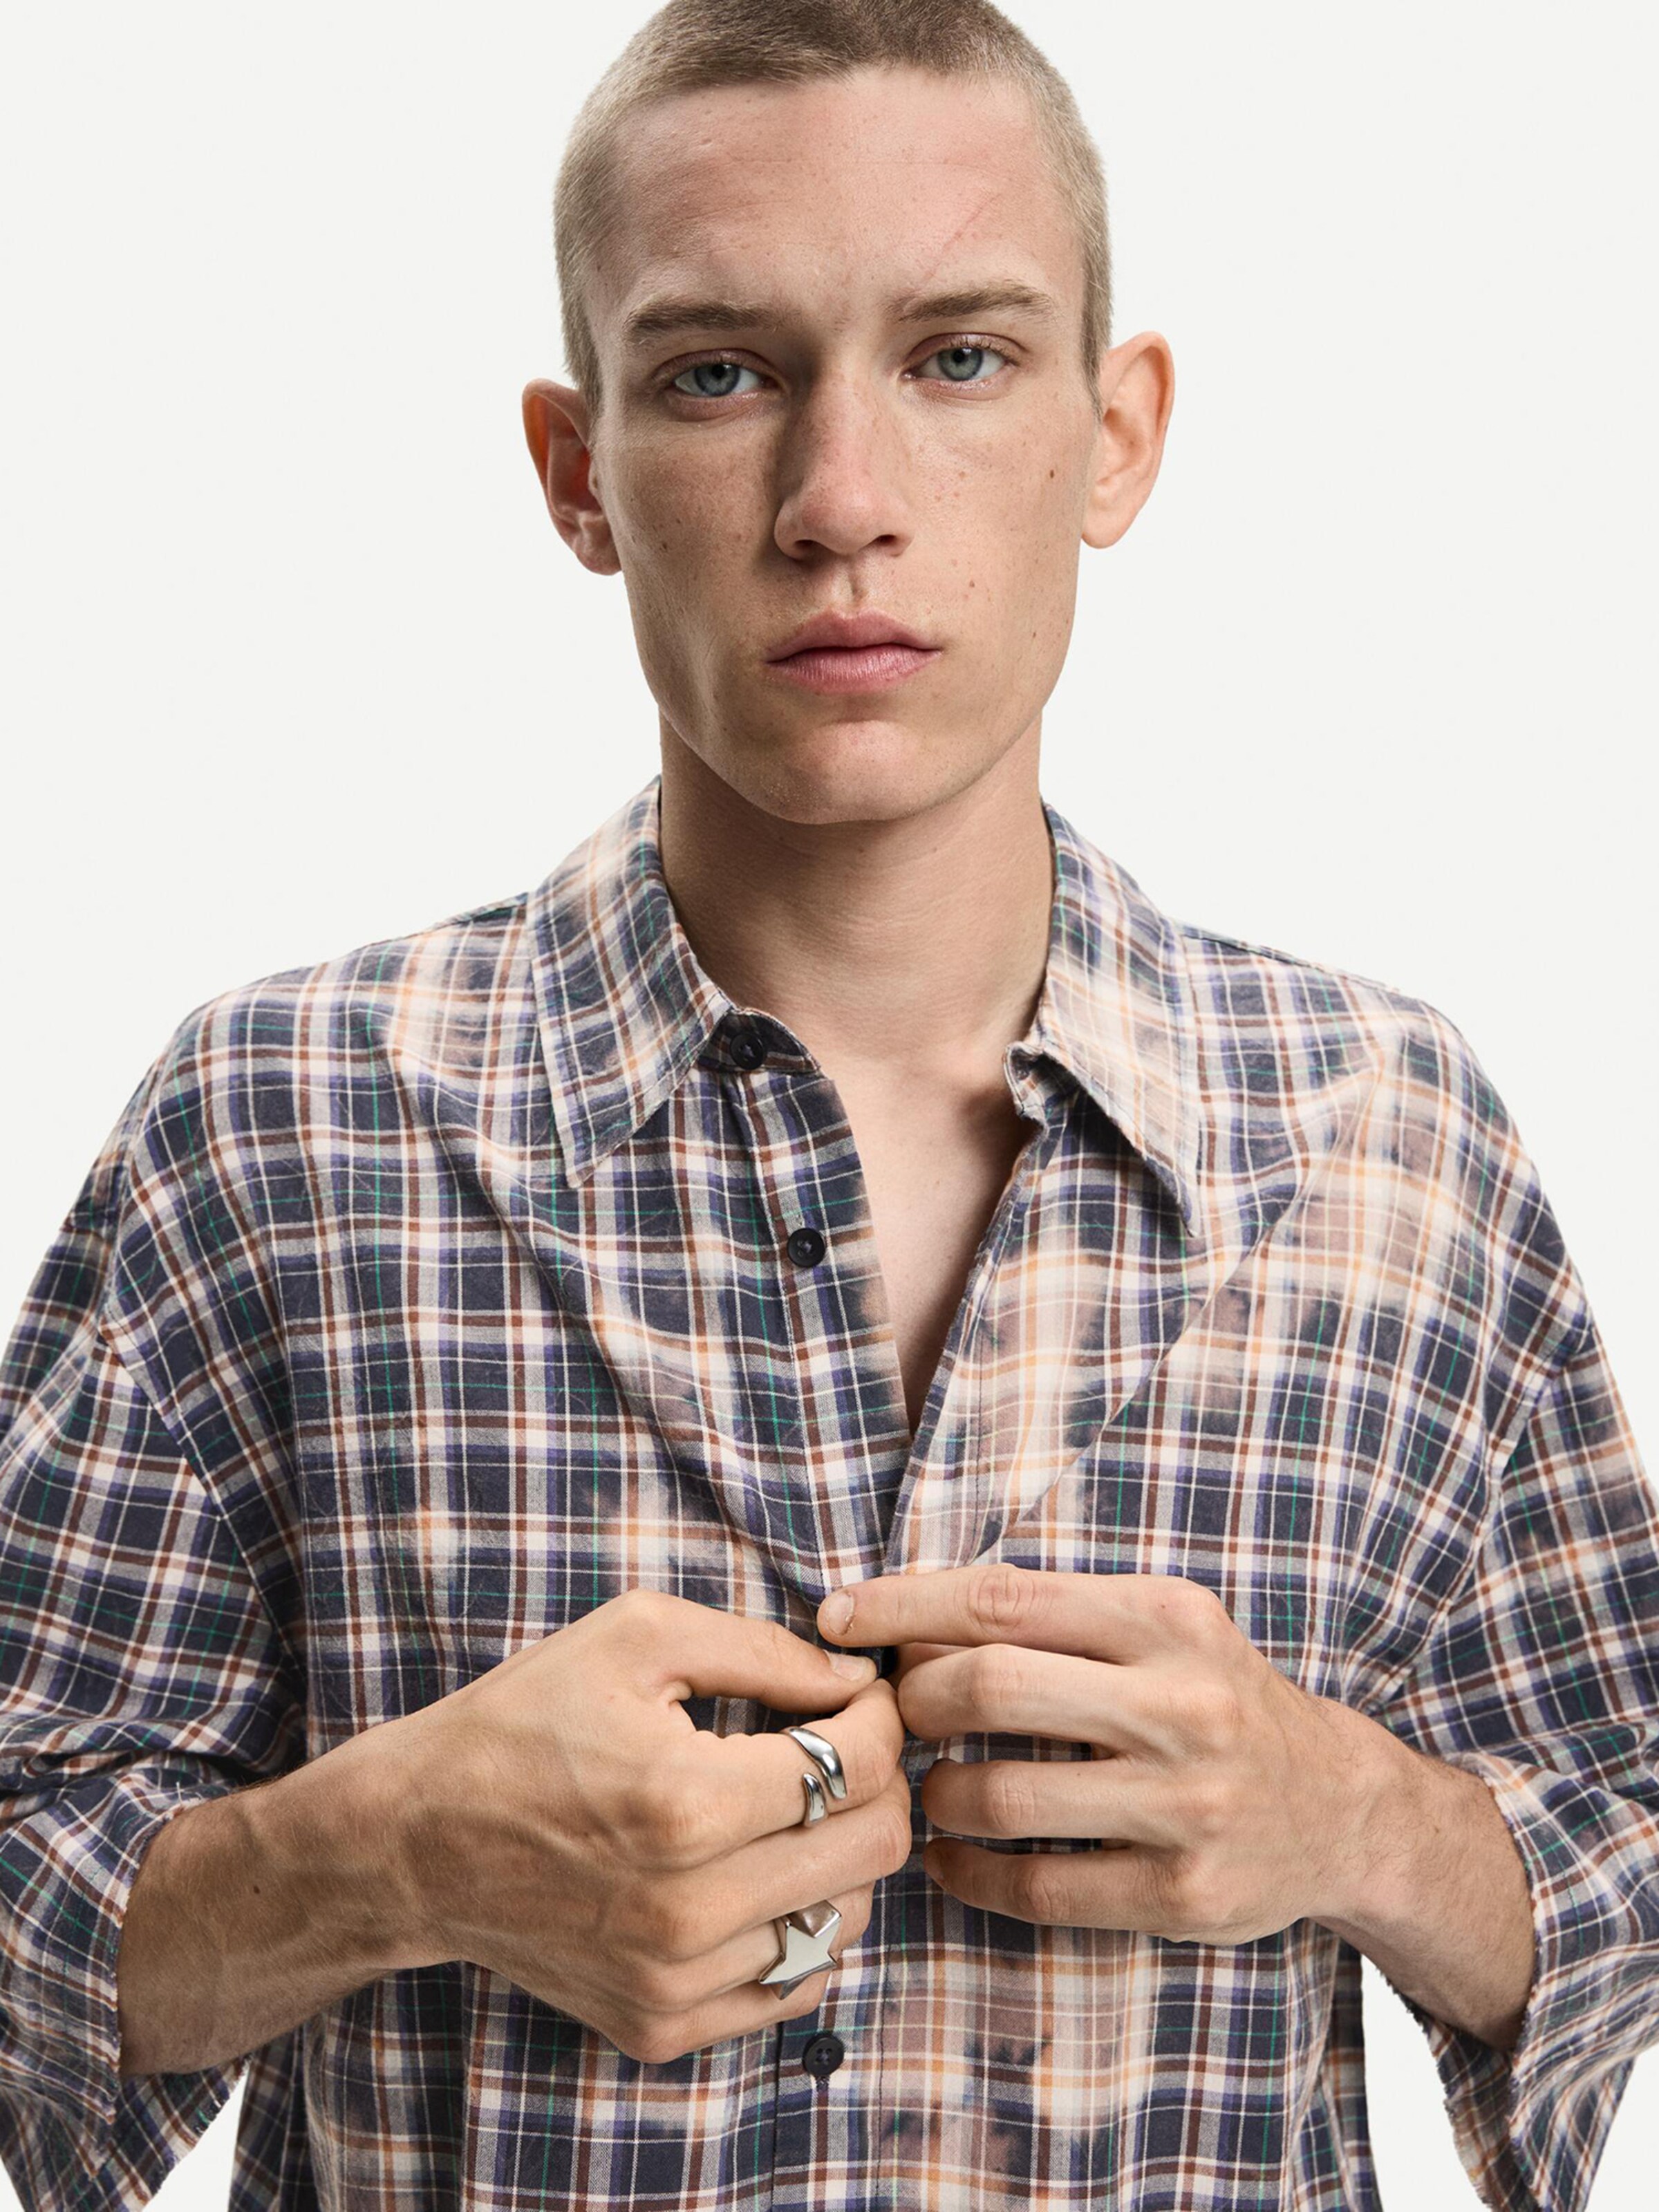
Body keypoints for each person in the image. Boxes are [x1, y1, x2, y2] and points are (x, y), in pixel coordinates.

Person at [1, 0, 1655, 2205]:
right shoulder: (279, 1131)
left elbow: (1626, 1840)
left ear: (1116, 436)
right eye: (719, 373)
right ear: (578, 472)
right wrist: (387, 1855)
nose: (841, 503)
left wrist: (1352, 1820)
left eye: (959, 357)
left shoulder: (1388, 1140)